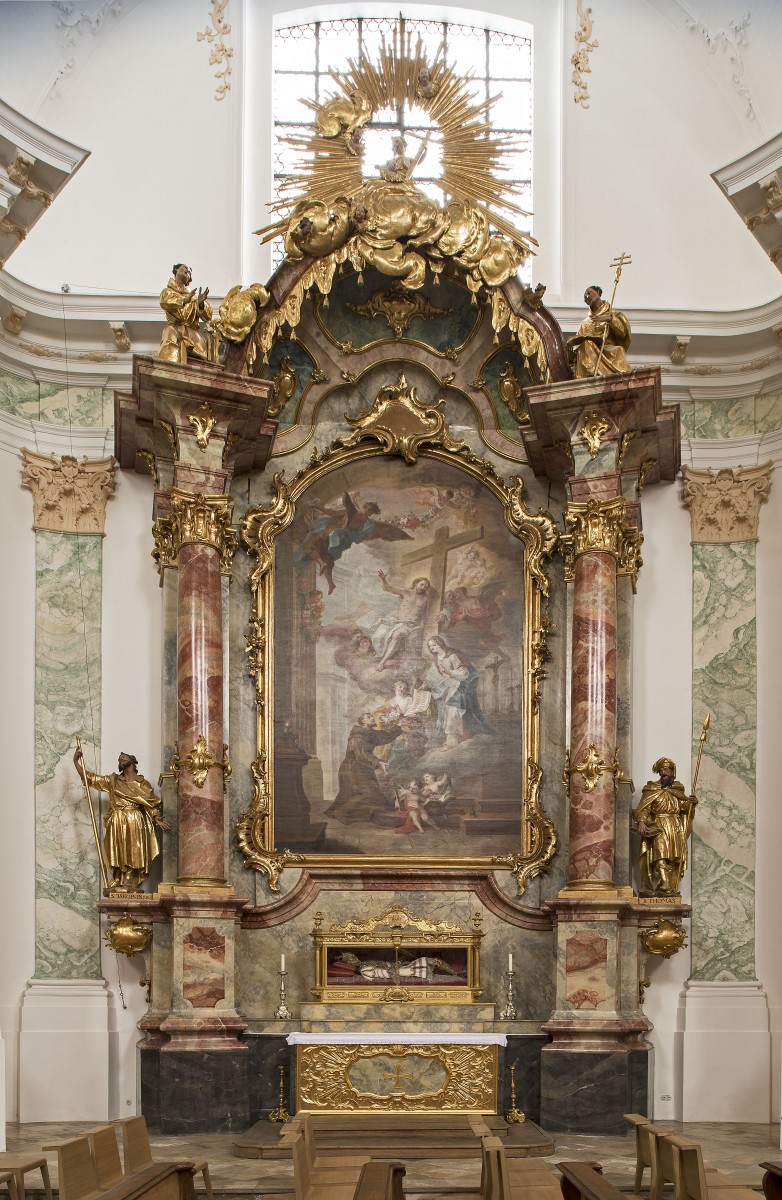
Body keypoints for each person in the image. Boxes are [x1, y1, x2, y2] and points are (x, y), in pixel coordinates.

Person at [73, 747, 170, 890]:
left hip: (134, 819)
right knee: (116, 850)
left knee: (132, 850)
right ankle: (119, 878)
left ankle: (129, 878)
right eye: (119, 759)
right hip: (117, 819)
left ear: (132, 761)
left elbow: (149, 802)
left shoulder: (143, 783)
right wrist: (76, 761)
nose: (120, 760)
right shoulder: (113, 780)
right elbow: (91, 778)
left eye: (123, 758)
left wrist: (156, 817)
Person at [632, 757, 697, 895]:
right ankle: (664, 885)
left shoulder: (677, 790)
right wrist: (642, 822)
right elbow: (644, 808)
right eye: (661, 770)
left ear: (673, 772)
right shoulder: (651, 789)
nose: (664, 773)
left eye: (666, 770)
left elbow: (684, 808)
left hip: (674, 827)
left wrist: (691, 803)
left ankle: (671, 886)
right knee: (659, 854)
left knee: (673, 857)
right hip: (658, 826)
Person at [325, 713, 401, 822]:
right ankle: (342, 811)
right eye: (368, 717)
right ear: (363, 721)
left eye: (371, 716)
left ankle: (350, 812)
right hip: (352, 768)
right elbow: (362, 755)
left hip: (364, 767)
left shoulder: (372, 733)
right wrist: (378, 762)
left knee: (375, 796)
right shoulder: (356, 737)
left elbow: (387, 737)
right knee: (367, 793)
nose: (372, 718)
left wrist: (399, 727)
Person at [425, 636, 491, 747]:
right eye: (430, 646)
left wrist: (449, 672)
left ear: (440, 644)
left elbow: (464, 673)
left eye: (434, 645)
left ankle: (452, 740)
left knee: (453, 711)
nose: (431, 647)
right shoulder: (436, 659)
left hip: (459, 687)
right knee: (446, 713)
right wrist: (425, 684)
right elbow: (432, 676)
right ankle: (452, 738)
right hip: (447, 688)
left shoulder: (452, 656)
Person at [157, 263, 216, 364]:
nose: (188, 271)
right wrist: (184, 300)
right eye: (185, 268)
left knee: (203, 352)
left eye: (190, 272)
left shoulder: (194, 297)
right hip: (175, 328)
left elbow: (208, 316)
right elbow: (165, 302)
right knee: (169, 336)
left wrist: (201, 304)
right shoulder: (167, 291)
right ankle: (170, 370)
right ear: (176, 269)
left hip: (191, 332)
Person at [568, 284, 631, 378]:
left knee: (617, 350)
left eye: (589, 293)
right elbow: (578, 344)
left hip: (607, 348)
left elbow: (622, 334)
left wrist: (610, 319)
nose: (587, 296)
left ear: (598, 292)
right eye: (585, 297)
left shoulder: (613, 314)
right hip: (589, 349)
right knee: (586, 344)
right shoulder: (585, 323)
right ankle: (589, 371)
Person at [374, 574, 432, 669]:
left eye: (426, 586)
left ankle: (382, 662)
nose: (423, 587)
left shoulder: (425, 598)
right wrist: (383, 579)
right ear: (416, 583)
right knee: (378, 634)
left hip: (411, 625)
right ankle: (379, 655)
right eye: (421, 584)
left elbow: (424, 614)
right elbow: (387, 588)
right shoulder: (406, 592)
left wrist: (421, 626)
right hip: (397, 621)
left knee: (397, 634)